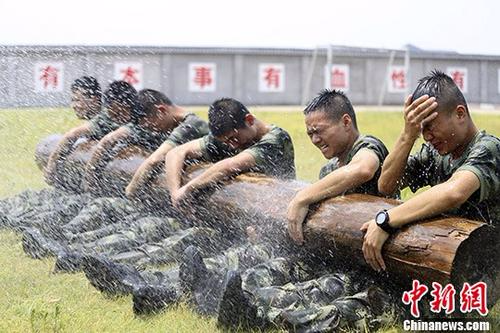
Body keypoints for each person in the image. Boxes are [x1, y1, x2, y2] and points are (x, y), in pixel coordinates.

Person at [361, 70, 500, 273]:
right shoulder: (437, 154)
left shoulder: (488, 148)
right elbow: (386, 185)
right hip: (450, 257)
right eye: (421, 128)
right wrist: (408, 135)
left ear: (460, 114)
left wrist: (386, 221)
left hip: (487, 265)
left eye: (430, 126)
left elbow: (454, 192)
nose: (426, 136)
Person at [287, 89, 392, 244]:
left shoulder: (369, 145)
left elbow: (363, 169)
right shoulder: (328, 170)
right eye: (310, 134)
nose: (315, 140)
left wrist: (301, 198)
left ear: (346, 122)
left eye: (319, 131)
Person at [164, 97, 295, 208]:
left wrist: (188, 188)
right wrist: (175, 192)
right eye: (226, 141)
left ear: (249, 120)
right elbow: (175, 153)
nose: (232, 145)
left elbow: (231, 165)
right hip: (241, 206)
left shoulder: (276, 138)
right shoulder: (229, 137)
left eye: (233, 138)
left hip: (277, 208)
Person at [125, 89, 209, 198]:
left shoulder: (191, 124)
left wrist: (130, 190)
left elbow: (155, 160)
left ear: (161, 111)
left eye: (152, 126)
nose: (154, 131)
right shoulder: (173, 124)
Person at [44, 76, 117, 186]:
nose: (74, 106)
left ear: (95, 99)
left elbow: (73, 135)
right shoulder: (104, 114)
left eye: (77, 100)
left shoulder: (106, 115)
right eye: (72, 100)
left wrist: (51, 167)